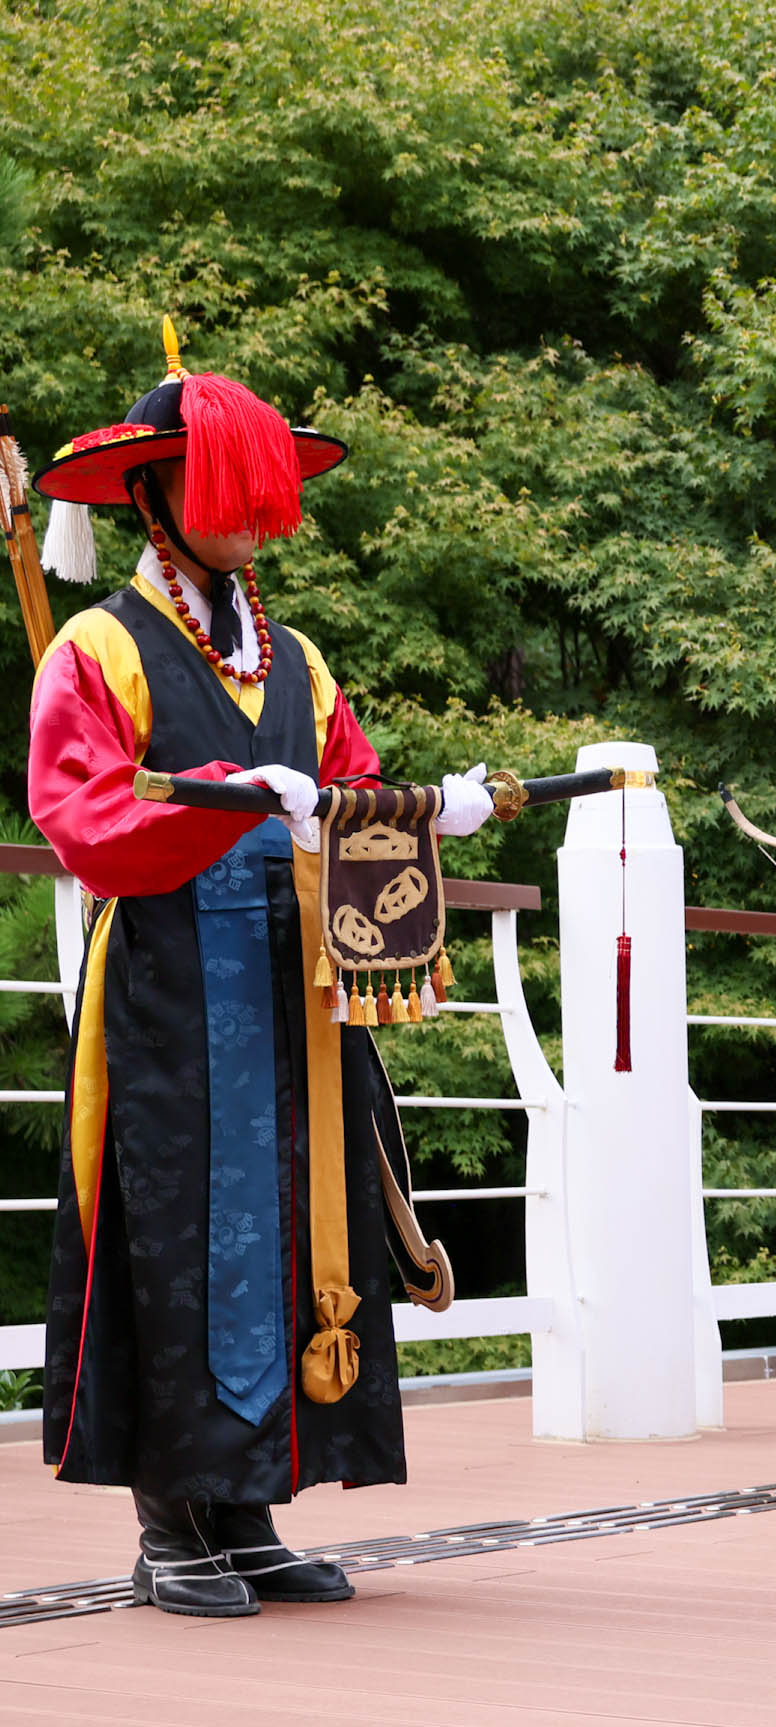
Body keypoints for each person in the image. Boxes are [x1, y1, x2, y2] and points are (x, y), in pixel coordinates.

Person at [28, 329, 496, 1615]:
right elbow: (83, 819)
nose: (249, 518)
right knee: (175, 1227)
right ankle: (168, 1519)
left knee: (293, 1223)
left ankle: (246, 1506)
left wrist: (420, 807)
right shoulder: (99, 649)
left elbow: (344, 790)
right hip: (170, 987)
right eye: (224, 491)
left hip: (295, 982)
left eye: (259, 492)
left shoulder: (298, 658)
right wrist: (231, 799)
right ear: (155, 492)